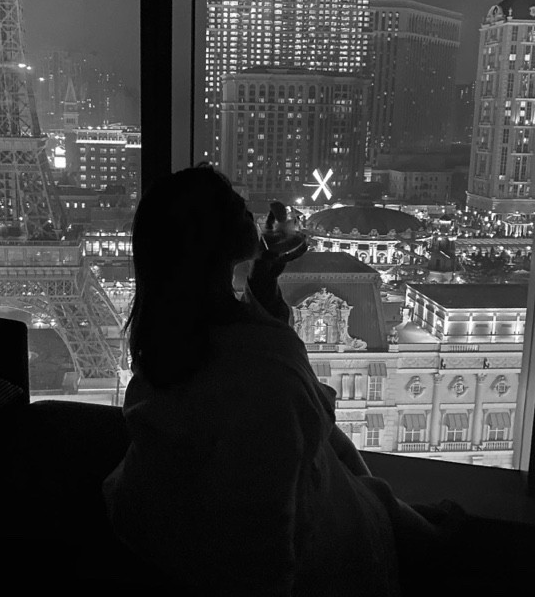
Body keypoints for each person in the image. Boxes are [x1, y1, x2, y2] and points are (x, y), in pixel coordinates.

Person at [103, 165, 534, 596]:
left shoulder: (169, 342)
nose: (251, 210)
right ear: (212, 240)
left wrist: (265, 274)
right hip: (327, 559)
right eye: (236, 204)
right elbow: (267, 546)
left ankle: (415, 528)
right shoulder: (261, 373)